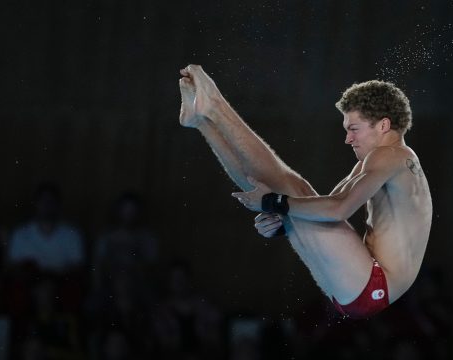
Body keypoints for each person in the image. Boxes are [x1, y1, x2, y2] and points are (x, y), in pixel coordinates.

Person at [178, 65, 432, 318]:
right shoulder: (385, 160)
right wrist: (283, 220)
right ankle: (202, 122)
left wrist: (272, 202)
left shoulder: (391, 155)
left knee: (288, 188)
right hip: (363, 286)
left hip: (373, 284)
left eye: (354, 129)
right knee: (292, 192)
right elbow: (317, 207)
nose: (348, 139)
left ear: (384, 125)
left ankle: (215, 106)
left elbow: (338, 209)